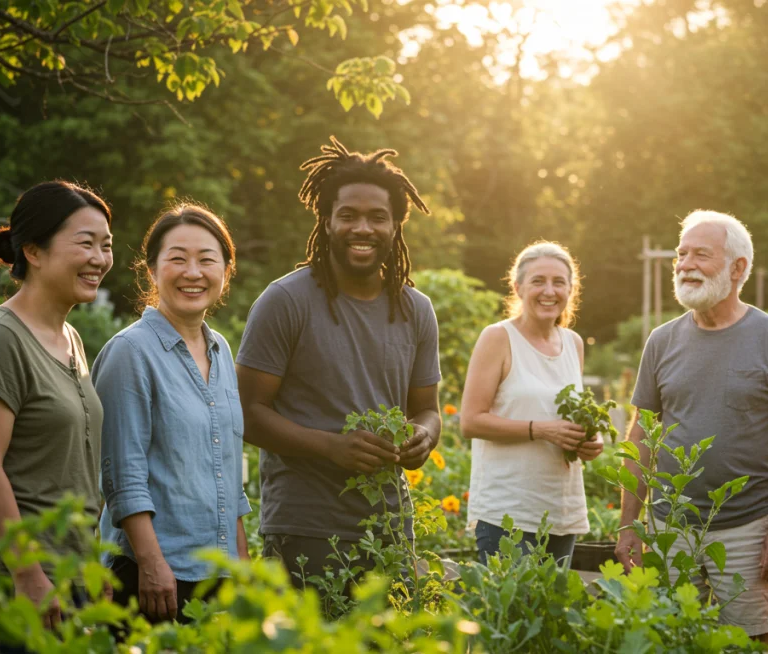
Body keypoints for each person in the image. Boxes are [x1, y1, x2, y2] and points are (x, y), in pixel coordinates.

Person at [236, 137, 442, 588]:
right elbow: (246, 414)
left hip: (389, 531)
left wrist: (423, 437)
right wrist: (330, 447)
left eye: (377, 217)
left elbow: (427, 407)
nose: (362, 228)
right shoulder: (285, 301)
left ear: (396, 226)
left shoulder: (416, 309)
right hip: (304, 529)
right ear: (326, 221)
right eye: (348, 215)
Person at [615, 210, 768, 642]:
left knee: (748, 645)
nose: (685, 264)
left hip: (749, 529)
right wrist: (630, 525)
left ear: (738, 268)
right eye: (680, 254)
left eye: (700, 254)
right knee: (669, 642)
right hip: (670, 529)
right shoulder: (662, 340)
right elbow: (640, 436)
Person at [0, 181, 114, 649]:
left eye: (106, 246)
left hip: (63, 571)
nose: (100, 258)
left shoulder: (72, 341)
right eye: (85, 243)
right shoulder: (0, 338)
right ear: (34, 251)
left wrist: (90, 563)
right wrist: (28, 574)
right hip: (7, 576)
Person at [94, 204, 251, 623]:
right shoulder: (130, 352)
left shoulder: (220, 349)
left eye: (207, 260)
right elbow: (121, 474)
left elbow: (228, 471)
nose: (193, 272)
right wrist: (152, 564)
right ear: (152, 270)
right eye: (177, 259)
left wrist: (241, 566)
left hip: (216, 575)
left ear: (226, 270)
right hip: (153, 578)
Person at [461, 242, 603, 565]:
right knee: (511, 613)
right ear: (518, 287)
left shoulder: (573, 344)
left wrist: (590, 442)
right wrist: (540, 430)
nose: (548, 291)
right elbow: (470, 420)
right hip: (508, 515)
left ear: (571, 289)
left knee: (550, 614)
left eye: (558, 282)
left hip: (560, 510)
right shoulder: (498, 338)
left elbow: (568, 415)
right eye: (538, 281)